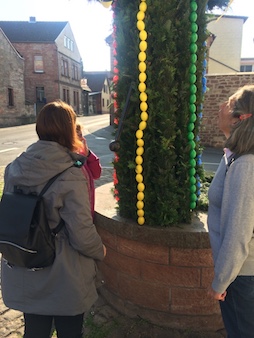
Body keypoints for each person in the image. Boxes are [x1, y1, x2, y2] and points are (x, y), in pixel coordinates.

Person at [1, 100, 106, 338]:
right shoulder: (71, 173)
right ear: (69, 130)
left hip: (25, 263)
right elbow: (81, 233)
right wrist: (101, 251)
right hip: (62, 273)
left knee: (35, 331)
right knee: (70, 331)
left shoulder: (14, 167)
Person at [207, 84, 254, 338]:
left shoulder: (246, 164)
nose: (220, 106)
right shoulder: (237, 156)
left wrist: (221, 281)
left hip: (241, 276)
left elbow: (239, 231)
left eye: (228, 102)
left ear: (241, 118)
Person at [76, 123, 102, 219]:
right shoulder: (71, 158)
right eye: (77, 136)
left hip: (88, 211)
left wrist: (88, 154)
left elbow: (96, 174)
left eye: (81, 135)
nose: (82, 139)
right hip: (79, 216)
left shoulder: (83, 154)